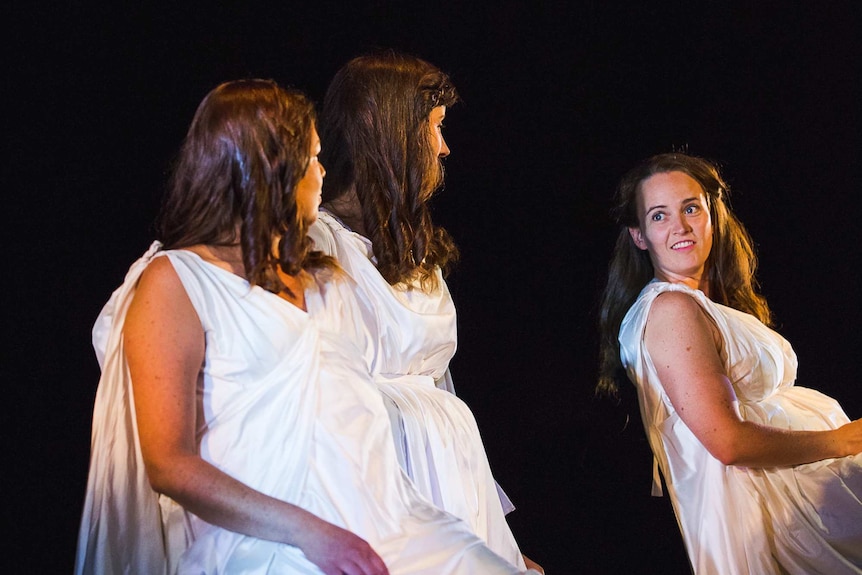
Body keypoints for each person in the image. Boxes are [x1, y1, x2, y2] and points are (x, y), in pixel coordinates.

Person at [74, 79, 538, 575]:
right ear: (270, 170)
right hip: (268, 532)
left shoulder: (314, 275)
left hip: (367, 511)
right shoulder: (175, 282)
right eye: (313, 158)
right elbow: (168, 463)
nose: (323, 172)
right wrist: (310, 531)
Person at [307, 51, 542, 573]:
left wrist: (496, 539)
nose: (445, 147)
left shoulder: (417, 251)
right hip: (381, 479)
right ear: (391, 131)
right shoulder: (318, 247)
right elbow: (321, 404)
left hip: (453, 481)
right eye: (434, 128)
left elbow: (440, 391)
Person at [596, 152, 862, 574]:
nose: (680, 227)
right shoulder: (670, 310)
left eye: (690, 208)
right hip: (768, 514)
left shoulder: (701, 304)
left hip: (797, 501)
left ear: (712, 215)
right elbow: (728, 442)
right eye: (659, 216)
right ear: (639, 235)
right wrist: (844, 441)